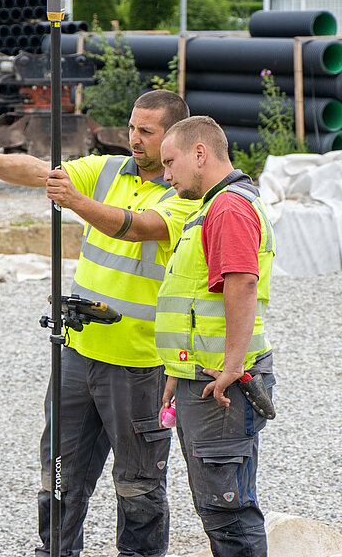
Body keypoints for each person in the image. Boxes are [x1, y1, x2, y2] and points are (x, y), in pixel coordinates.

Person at [0, 90, 199, 557]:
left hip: (139, 365)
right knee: (58, 474)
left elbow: (137, 225)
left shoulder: (186, 195)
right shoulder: (107, 169)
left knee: (138, 485)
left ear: (173, 136)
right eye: (132, 128)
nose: (134, 139)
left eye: (146, 132)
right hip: (78, 353)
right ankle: (55, 551)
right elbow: (41, 172)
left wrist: (74, 202)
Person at [156, 116, 276, 557]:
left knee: (228, 511)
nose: (165, 176)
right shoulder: (214, 207)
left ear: (200, 154)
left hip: (221, 385)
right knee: (218, 507)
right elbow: (195, 303)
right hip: (201, 376)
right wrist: (178, 369)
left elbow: (241, 282)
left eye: (171, 163)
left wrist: (232, 364)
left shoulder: (227, 207)